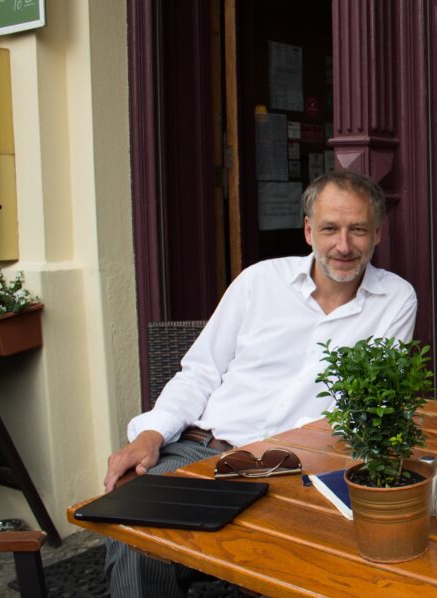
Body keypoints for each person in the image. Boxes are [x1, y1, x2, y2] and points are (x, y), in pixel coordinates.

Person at [103, 169, 417, 597]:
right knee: (132, 528)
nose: (343, 246)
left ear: (377, 233)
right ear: (308, 231)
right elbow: (200, 372)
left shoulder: (395, 299)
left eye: (357, 230)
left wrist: (290, 460)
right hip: (202, 450)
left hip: (295, 469)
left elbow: (367, 409)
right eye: (329, 229)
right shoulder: (258, 282)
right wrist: (152, 434)